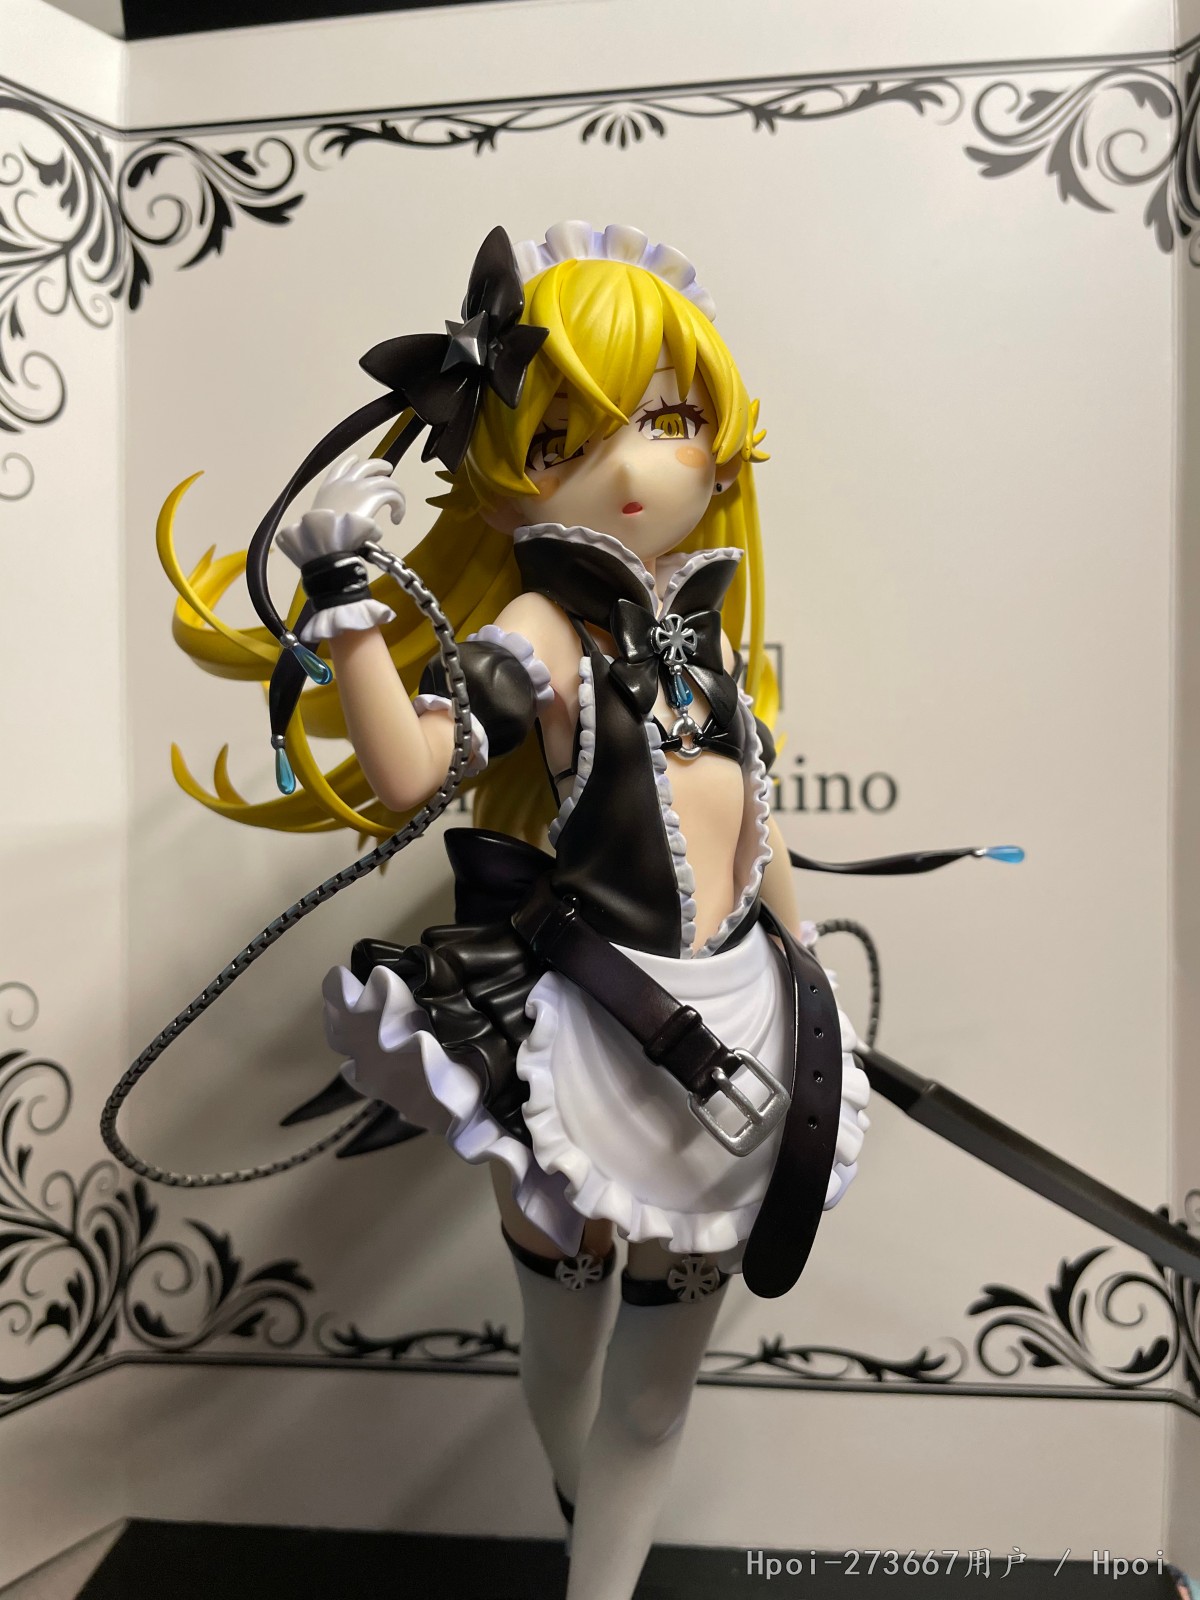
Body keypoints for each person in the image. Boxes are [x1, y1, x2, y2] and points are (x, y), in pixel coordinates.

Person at [161, 221, 871, 1600]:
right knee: (567, 1353)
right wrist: (346, 606)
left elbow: (757, 829)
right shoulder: (544, 632)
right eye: (563, 440)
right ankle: (584, 1522)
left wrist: (814, 984)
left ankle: (599, 1564)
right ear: (499, 481)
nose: (632, 466)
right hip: (583, 1039)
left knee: (653, 1399)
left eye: (670, 421)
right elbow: (412, 773)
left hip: (742, 1025)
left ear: (721, 448)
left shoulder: (709, 639)